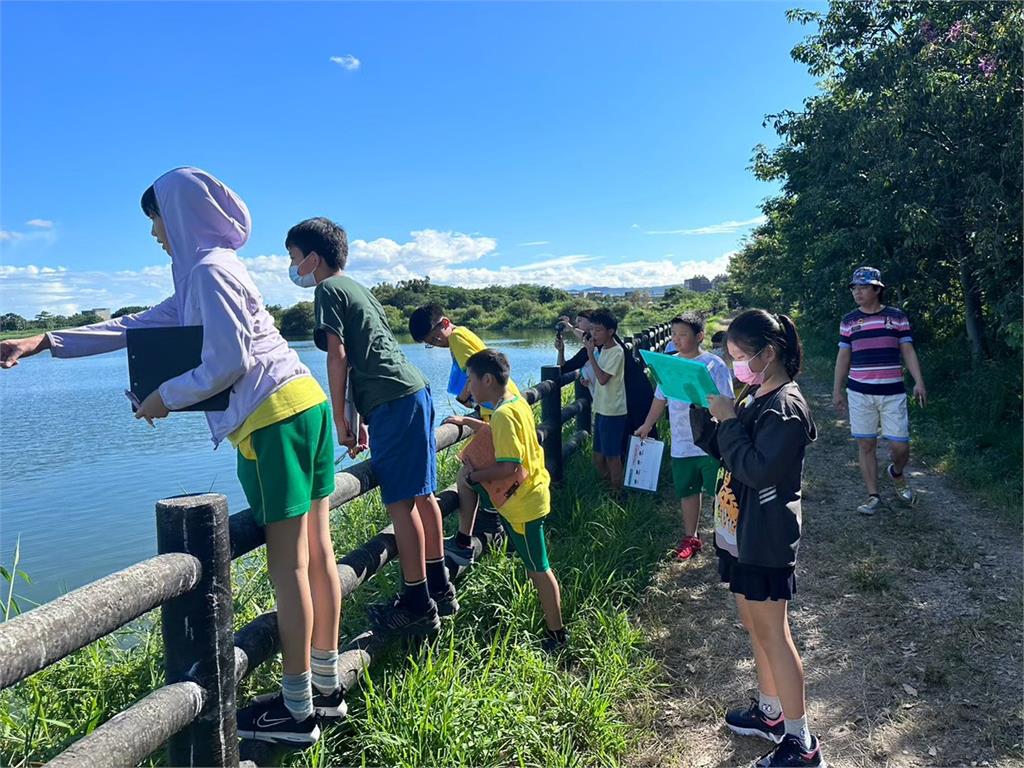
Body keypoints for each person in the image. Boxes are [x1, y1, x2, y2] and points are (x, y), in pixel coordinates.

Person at [1, 168, 343, 746]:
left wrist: (164, 397)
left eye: (156, 218)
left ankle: (297, 710)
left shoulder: (208, 271)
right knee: (318, 552)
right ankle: (326, 691)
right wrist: (44, 341)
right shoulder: (207, 271)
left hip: (274, 418)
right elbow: (133, 326)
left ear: (178, 213)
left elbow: (228, 362)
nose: (156, 232)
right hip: (303, 403)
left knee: (290, 566)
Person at [285, 217, 457, 637]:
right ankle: (440, 588)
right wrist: (360, 417)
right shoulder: (359, 289)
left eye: (293, 258)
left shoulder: (327, 290)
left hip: (393, 402)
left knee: (401, 505)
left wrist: (340, 417)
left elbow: (339, 356)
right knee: (423, 496)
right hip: (412, 391)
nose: (292, 268)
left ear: (313, 258)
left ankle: (417, 602)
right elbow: (371, 354)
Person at [690, 309, 823, 768]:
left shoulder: (785, 407)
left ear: (769, 353)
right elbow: (726, 452)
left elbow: (758, 468)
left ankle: (801, 742)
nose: (737, 367)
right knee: (755, 627)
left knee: (775, 633)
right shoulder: (755, 394)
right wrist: (702, 409)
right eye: (731, 358)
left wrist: (728, 421)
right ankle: (770, 712)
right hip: (740, 531)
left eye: (741, 357)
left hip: (766, 535)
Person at [443, 349, 568, 652]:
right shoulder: (514, 403)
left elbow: (508, 466)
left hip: (522, 503)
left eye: (470, 380)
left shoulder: (501, 413)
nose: (469, 387)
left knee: (540, 568)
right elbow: (497, 433)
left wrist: (473, 478)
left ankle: (557, 634)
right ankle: (552, 625)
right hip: (533, 492)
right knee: (534, 564)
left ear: (487, 379)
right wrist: (468, 422)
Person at [407, 303, 521, 569]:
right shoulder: (463, 334)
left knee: (468, 476)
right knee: (489, 477)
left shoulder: (457, 339)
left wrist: (466, 396)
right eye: (429, 343)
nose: (436, 344)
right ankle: (495, 528)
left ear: (445, 322)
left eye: (435, 337)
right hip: (501, 409)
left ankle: (464, 543)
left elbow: (480, 369)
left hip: (496, 415)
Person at [634, 314, 733, 560]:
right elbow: (660, 398)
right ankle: (692, 537)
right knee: (688, 490)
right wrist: (647, 425)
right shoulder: (668, 364)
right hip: (681, 442)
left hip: (710, 442)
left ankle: (728, 538)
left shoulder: (714, 365)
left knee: (720, 491)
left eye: (683, 335)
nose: (676, 339)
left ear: (699, 336)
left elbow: (728, 401)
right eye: (674, 334)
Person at [832, 267, 926, 516]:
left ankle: (896, 473)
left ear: (877, 289)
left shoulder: (897, 317)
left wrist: (918, 381)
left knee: (900, 447)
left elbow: (907, 350)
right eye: (854, 287)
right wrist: (837, 390)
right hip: (859, 392)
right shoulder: (849, 320)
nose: (857, 292)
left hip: (893, 392)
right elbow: (843, 356)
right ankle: (873, 496)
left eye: (863, 287)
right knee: (866, 445)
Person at [584, 310, 628, 489]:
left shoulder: (616, 351)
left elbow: (603, 379)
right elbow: (599, 378)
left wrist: (590, 355)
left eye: (598, 330)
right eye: (592, 330)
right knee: (597, 456)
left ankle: (617, 493)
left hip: (614, 411)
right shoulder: (603, 350)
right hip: (601, 408)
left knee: (611, 456)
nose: (594, 334)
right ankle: (608, 487)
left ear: (610, 332)